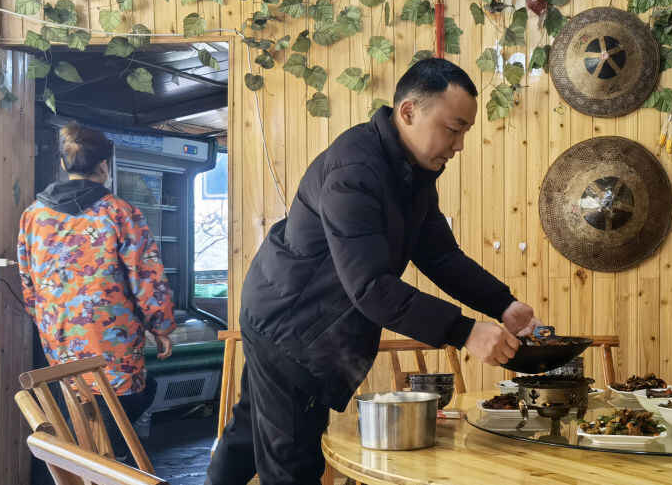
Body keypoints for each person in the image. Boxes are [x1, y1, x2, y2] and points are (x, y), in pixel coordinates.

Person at [205, 58, 542, 485]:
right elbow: (370, 288)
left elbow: (440, 255)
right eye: (453, 129)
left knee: (248, 435)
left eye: (465, 133)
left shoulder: (413, 173)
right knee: (292, 462)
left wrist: (503, 304)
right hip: (292, 325)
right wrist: (465, 332)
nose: (458, 145)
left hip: (289, 310)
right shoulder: (355, 171)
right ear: (409, 111)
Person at [17, 123, 175, 462]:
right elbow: (147, 278)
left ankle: (95, 466)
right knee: (125, 410)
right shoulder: (120, 213)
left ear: (63, 164)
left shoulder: (33, 216)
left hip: (59, 345)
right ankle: (109, 467)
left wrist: (48, 322)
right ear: (104, 166)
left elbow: (28, 284)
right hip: (112, 350)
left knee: (82, 417)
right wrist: (161, 327)